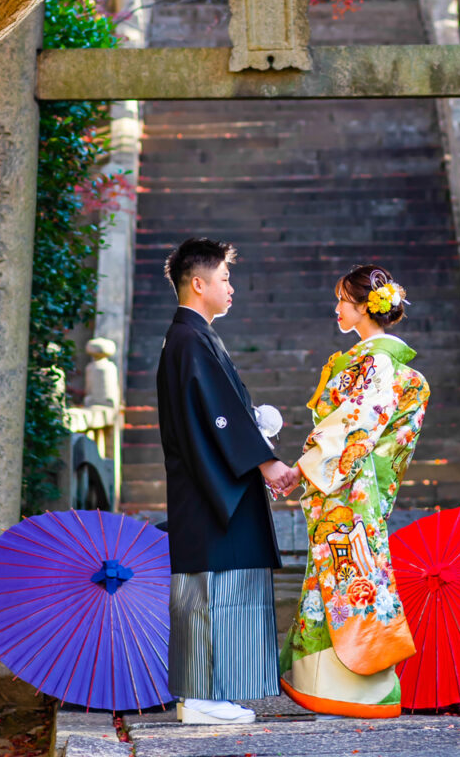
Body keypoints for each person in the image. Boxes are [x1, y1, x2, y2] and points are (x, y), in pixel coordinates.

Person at [157, 238, 299, 725]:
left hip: (209, 483)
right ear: (198, 284)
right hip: (210, 487)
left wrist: (254, 424)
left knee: (210, 589)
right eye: (224, 279)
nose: (231, 288)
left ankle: (204, 694)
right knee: (209, 588)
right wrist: (267, 463)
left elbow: (221, 412)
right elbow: (217, 416)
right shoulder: (190, 340)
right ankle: (200, 697)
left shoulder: (192, 338)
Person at [280, 265, 430, 718]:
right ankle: (329, 683)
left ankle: (352, 690)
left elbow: (353, 428)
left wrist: (303, 467)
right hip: (358, 488)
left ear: (366, 307)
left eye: (343, 300)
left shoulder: (375, 362)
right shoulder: (383, 362)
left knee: (349, 580)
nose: (338, 308)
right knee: (348, 579)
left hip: (347, 486)